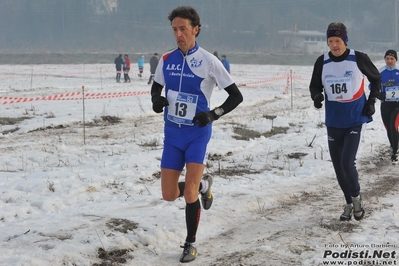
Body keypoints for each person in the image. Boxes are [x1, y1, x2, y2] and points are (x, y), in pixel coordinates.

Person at [150, 6, 243, 263]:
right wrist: (156, 100)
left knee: (189, 193)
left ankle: (190, 243)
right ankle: (204, 185)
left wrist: (214, 114)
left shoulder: (209, 62)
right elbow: (157, 86)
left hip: (196, 135)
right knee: (169, 195)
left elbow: (236, 96)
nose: (178, 34)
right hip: (172, 135)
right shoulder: (167, 60)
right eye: (174, 30)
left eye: (183, 29)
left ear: (195, 30)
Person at [309, 22, 381, 222]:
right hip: (334, 120)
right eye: (330, 41)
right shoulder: (321, 62)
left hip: (354, 118)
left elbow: (376, 79)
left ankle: (357, 199)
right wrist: (316, 97)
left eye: (338, 41)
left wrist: (372, 101)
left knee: (347, 162)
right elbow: (314, 85)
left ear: (345, 41)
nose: (334, 45)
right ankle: (348, 202)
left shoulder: (358, 58)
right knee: (338, 166)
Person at [377, 49, 399, 164]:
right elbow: (372, 86)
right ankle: (394, 146)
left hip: (397, 104)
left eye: (392, 58)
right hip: (385, 104)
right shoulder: (380, 72)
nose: (389, 61)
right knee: (389, 128)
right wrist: (378, 94)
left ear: (396, 60)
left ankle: (395, 152)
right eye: (387, 58)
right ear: (385, 59)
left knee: (393, 124)